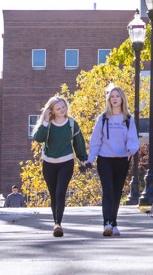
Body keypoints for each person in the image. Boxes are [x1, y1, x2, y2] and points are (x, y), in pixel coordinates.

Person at [32, 94, 89, 236]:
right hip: (49, 163)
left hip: (66, 162)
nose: (62, 110)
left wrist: (83, 159)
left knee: (60, 192)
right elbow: (38, 138)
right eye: (58, 108)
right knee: (53, 194)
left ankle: (58, 224)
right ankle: (55, 222)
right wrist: (45, 120)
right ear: (51, 111)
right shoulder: (48, 124)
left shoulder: (71, 123)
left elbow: (79, 143)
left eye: (63, 107)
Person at [87, 83, 140, 237]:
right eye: (112, 97)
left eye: (117, 96)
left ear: (122, 99)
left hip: (122, 160)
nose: (115, 99)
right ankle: (106, 224)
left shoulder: (128, 119)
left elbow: (133, 139)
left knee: (117, 192)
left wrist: (131, 149)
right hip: (105, 159)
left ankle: (114, 224)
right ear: (108, 100)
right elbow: (96, 141)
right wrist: (90, 159)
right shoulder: (103, 118)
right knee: (108, 191)